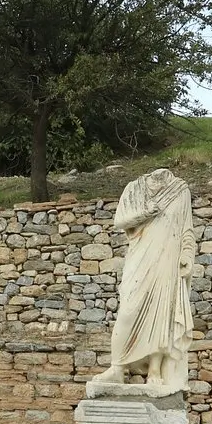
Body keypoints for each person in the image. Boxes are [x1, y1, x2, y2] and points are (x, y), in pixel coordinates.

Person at [89, 168, 195, 395]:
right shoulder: (134, 188)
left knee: (161, 313)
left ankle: (155, 371)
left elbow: (187, 229)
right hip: (140, 256)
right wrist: (148, 211)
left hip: (168, 259)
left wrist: (187, 254)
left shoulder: (180, 190)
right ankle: (117, 367)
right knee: (128, 311)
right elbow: (120, 220)